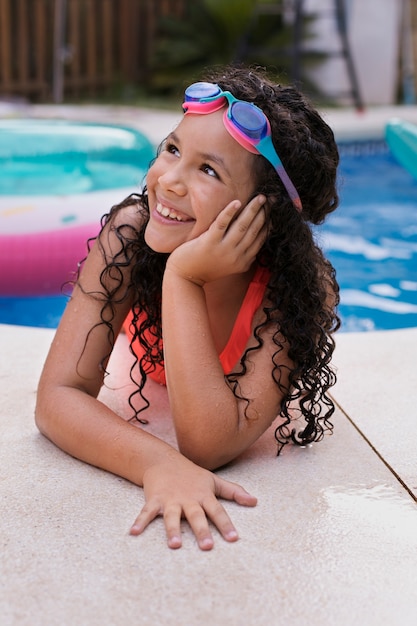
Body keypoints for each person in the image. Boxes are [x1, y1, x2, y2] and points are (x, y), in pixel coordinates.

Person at [35, 66, 340, 551]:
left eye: (208, 169)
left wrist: (183, 277)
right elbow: (57, 397)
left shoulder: (296, 291)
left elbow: (211, 443)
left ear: (264, 212)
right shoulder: (130, 234)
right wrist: (158, 463)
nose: (169, 181)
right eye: (173, 149)